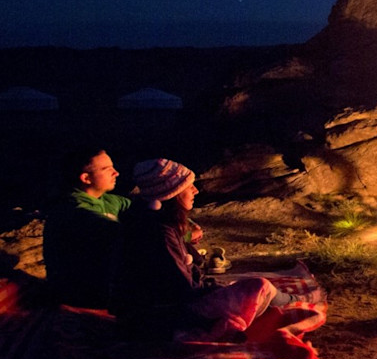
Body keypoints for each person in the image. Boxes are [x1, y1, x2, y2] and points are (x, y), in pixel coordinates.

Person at [111, 158, 286, 344]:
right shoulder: (160, 233)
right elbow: (182, 288)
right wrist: (214, 291)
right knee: (259, 286)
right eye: (189, 187)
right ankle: (289, 301)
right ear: (172, 193)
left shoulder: (158, 222)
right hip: (165, 315)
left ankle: (283, 300)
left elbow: (188, 269)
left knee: (242, 291)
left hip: (164, 310)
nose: (195, 190)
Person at [42, 146, 131, 308]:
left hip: (102, 286)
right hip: (79, 294)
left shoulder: (107, 200)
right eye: (107, 169)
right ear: (86, 178)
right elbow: (121, 233)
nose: (116, 173)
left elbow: (138, 208)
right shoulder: (73, 210)